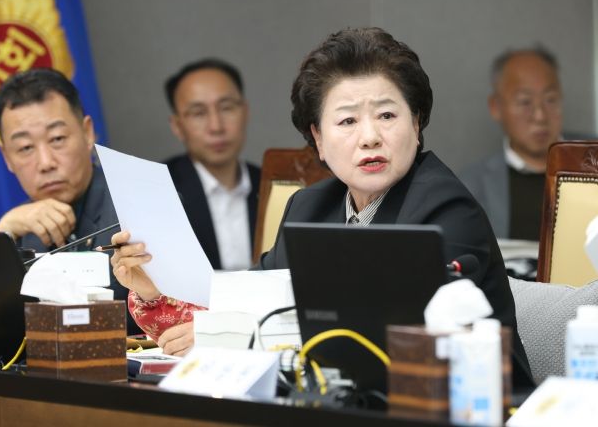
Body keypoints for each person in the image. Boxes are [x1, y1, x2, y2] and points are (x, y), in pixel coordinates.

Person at [110, 28, 533, 388]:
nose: (370, 136)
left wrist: (232, 337)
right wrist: (155, 289)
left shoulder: (445, 209)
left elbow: (389, 335)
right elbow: (249, 301)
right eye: (347, 121)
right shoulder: (309, 207)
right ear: (318, 139)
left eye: (387, 116)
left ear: (417, 123)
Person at [0, 68, 140, 334]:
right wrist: (4, 233)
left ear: (88, 133)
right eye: (25, 148)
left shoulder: (138, 208)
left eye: (57, 139)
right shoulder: (20, 228)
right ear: (6, 157)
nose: (46, 162)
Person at [164, 58, 260, 271]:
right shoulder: (160, 190)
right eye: (198, 113)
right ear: (177, 126)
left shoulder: (273, 187)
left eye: (226, 108)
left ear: (245, 112)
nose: (216, 127)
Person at [460, 47, 563, 240]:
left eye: (550, 99)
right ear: (496, 107)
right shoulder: (471, 185)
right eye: (525, 102)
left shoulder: (592, 159)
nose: (540, 116)